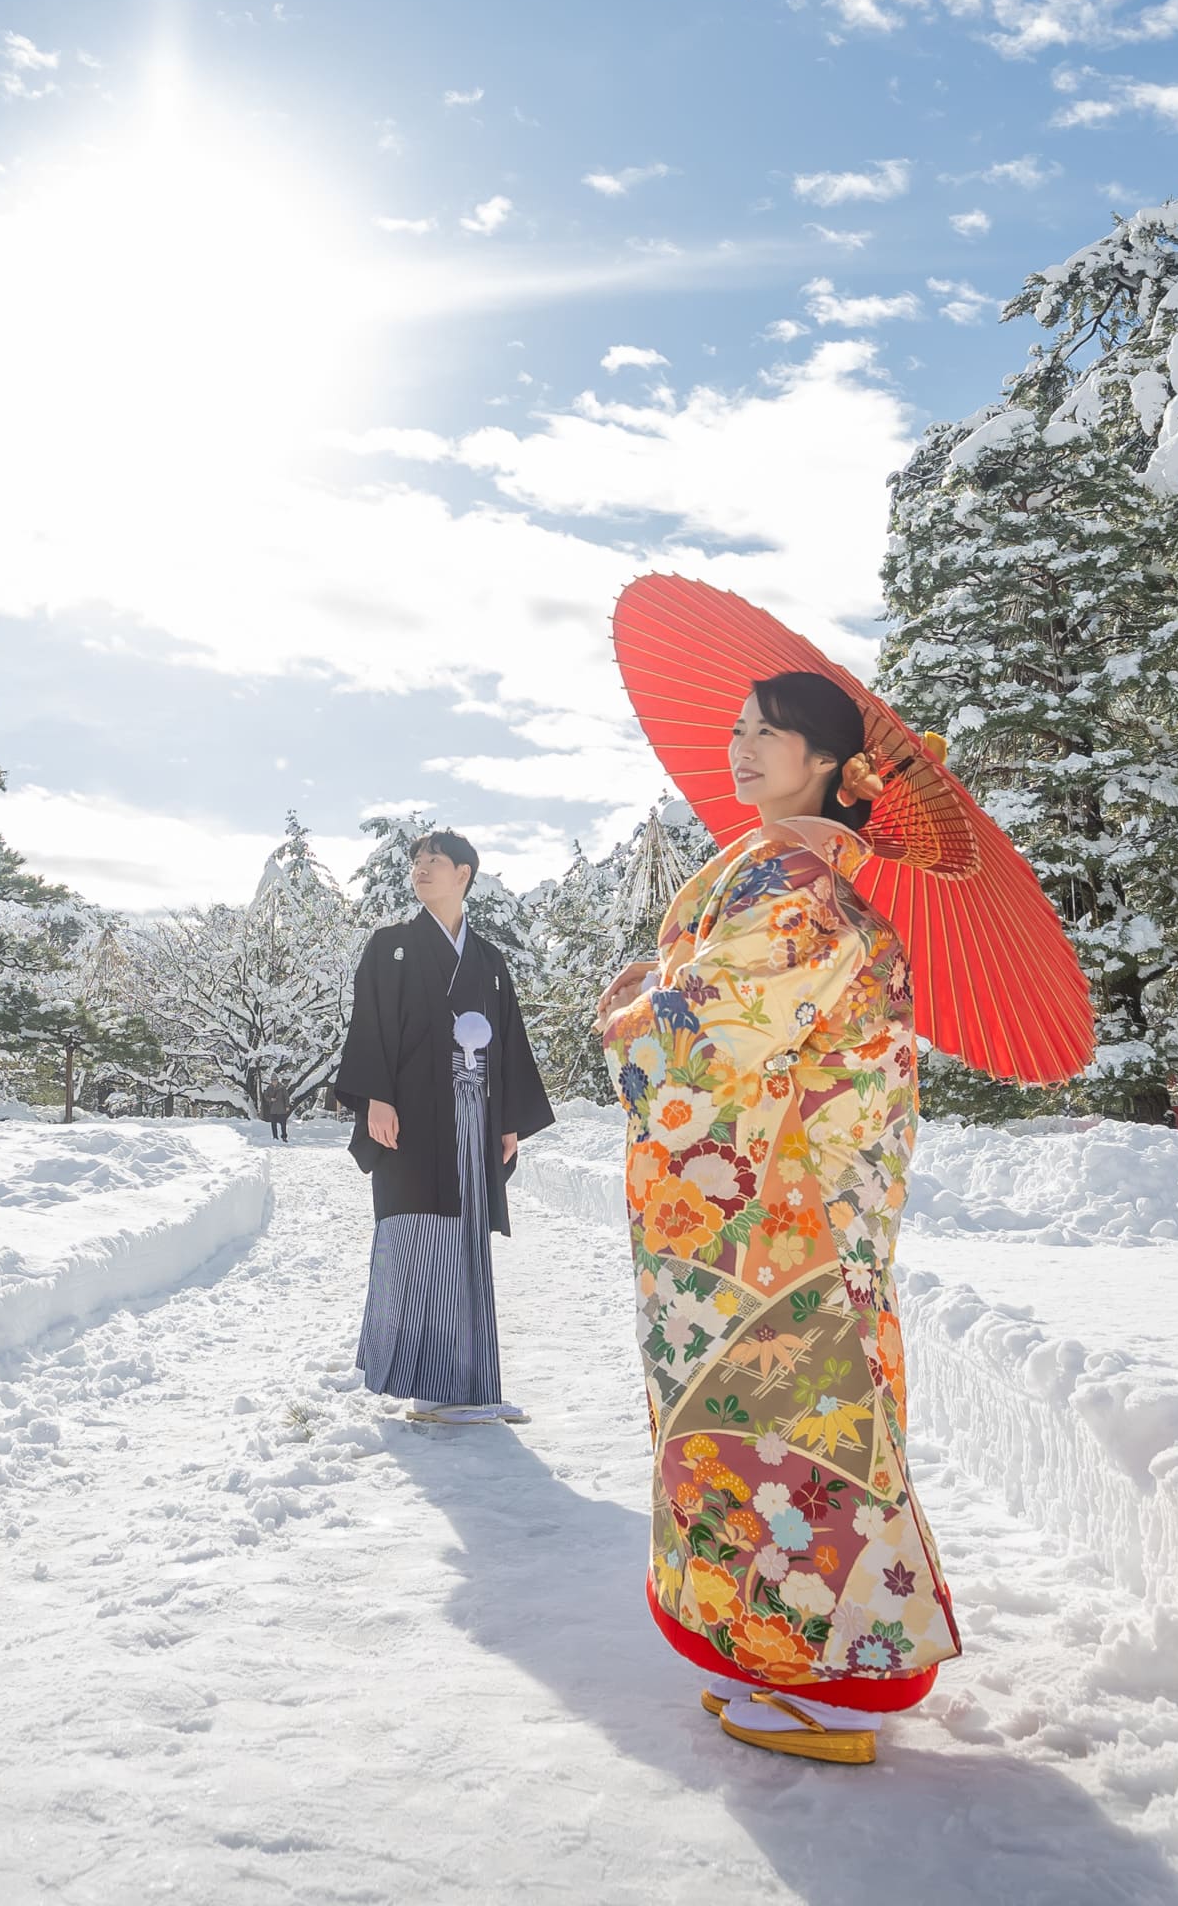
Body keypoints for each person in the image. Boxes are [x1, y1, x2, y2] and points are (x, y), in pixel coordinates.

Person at [596, 671, 962, 1766]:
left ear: (827, 764)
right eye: (739, 730)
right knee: (766, 1423)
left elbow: (697, 1043)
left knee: (790, 1424)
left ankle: (828, 1673)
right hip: (781, 1207)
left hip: (776, 1220)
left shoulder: (799, 888)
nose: (743, 747)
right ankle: (780, 1649)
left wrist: (633, 996)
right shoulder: (802, 879)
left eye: (771, 732)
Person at [336, 829, 553, 1424]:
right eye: (416, 863)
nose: (420, 871)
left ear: (464, 874)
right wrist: (376, 1096)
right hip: (407, 1119)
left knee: (467, 1243)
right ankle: (431, 1390)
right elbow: (370, 1024)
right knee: (417, 1238)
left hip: (472, 1119)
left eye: (433, 862)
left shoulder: (488, 960)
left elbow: (507, 1042)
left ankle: (473, 1389)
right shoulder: (391, 947)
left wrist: (508, 1120)